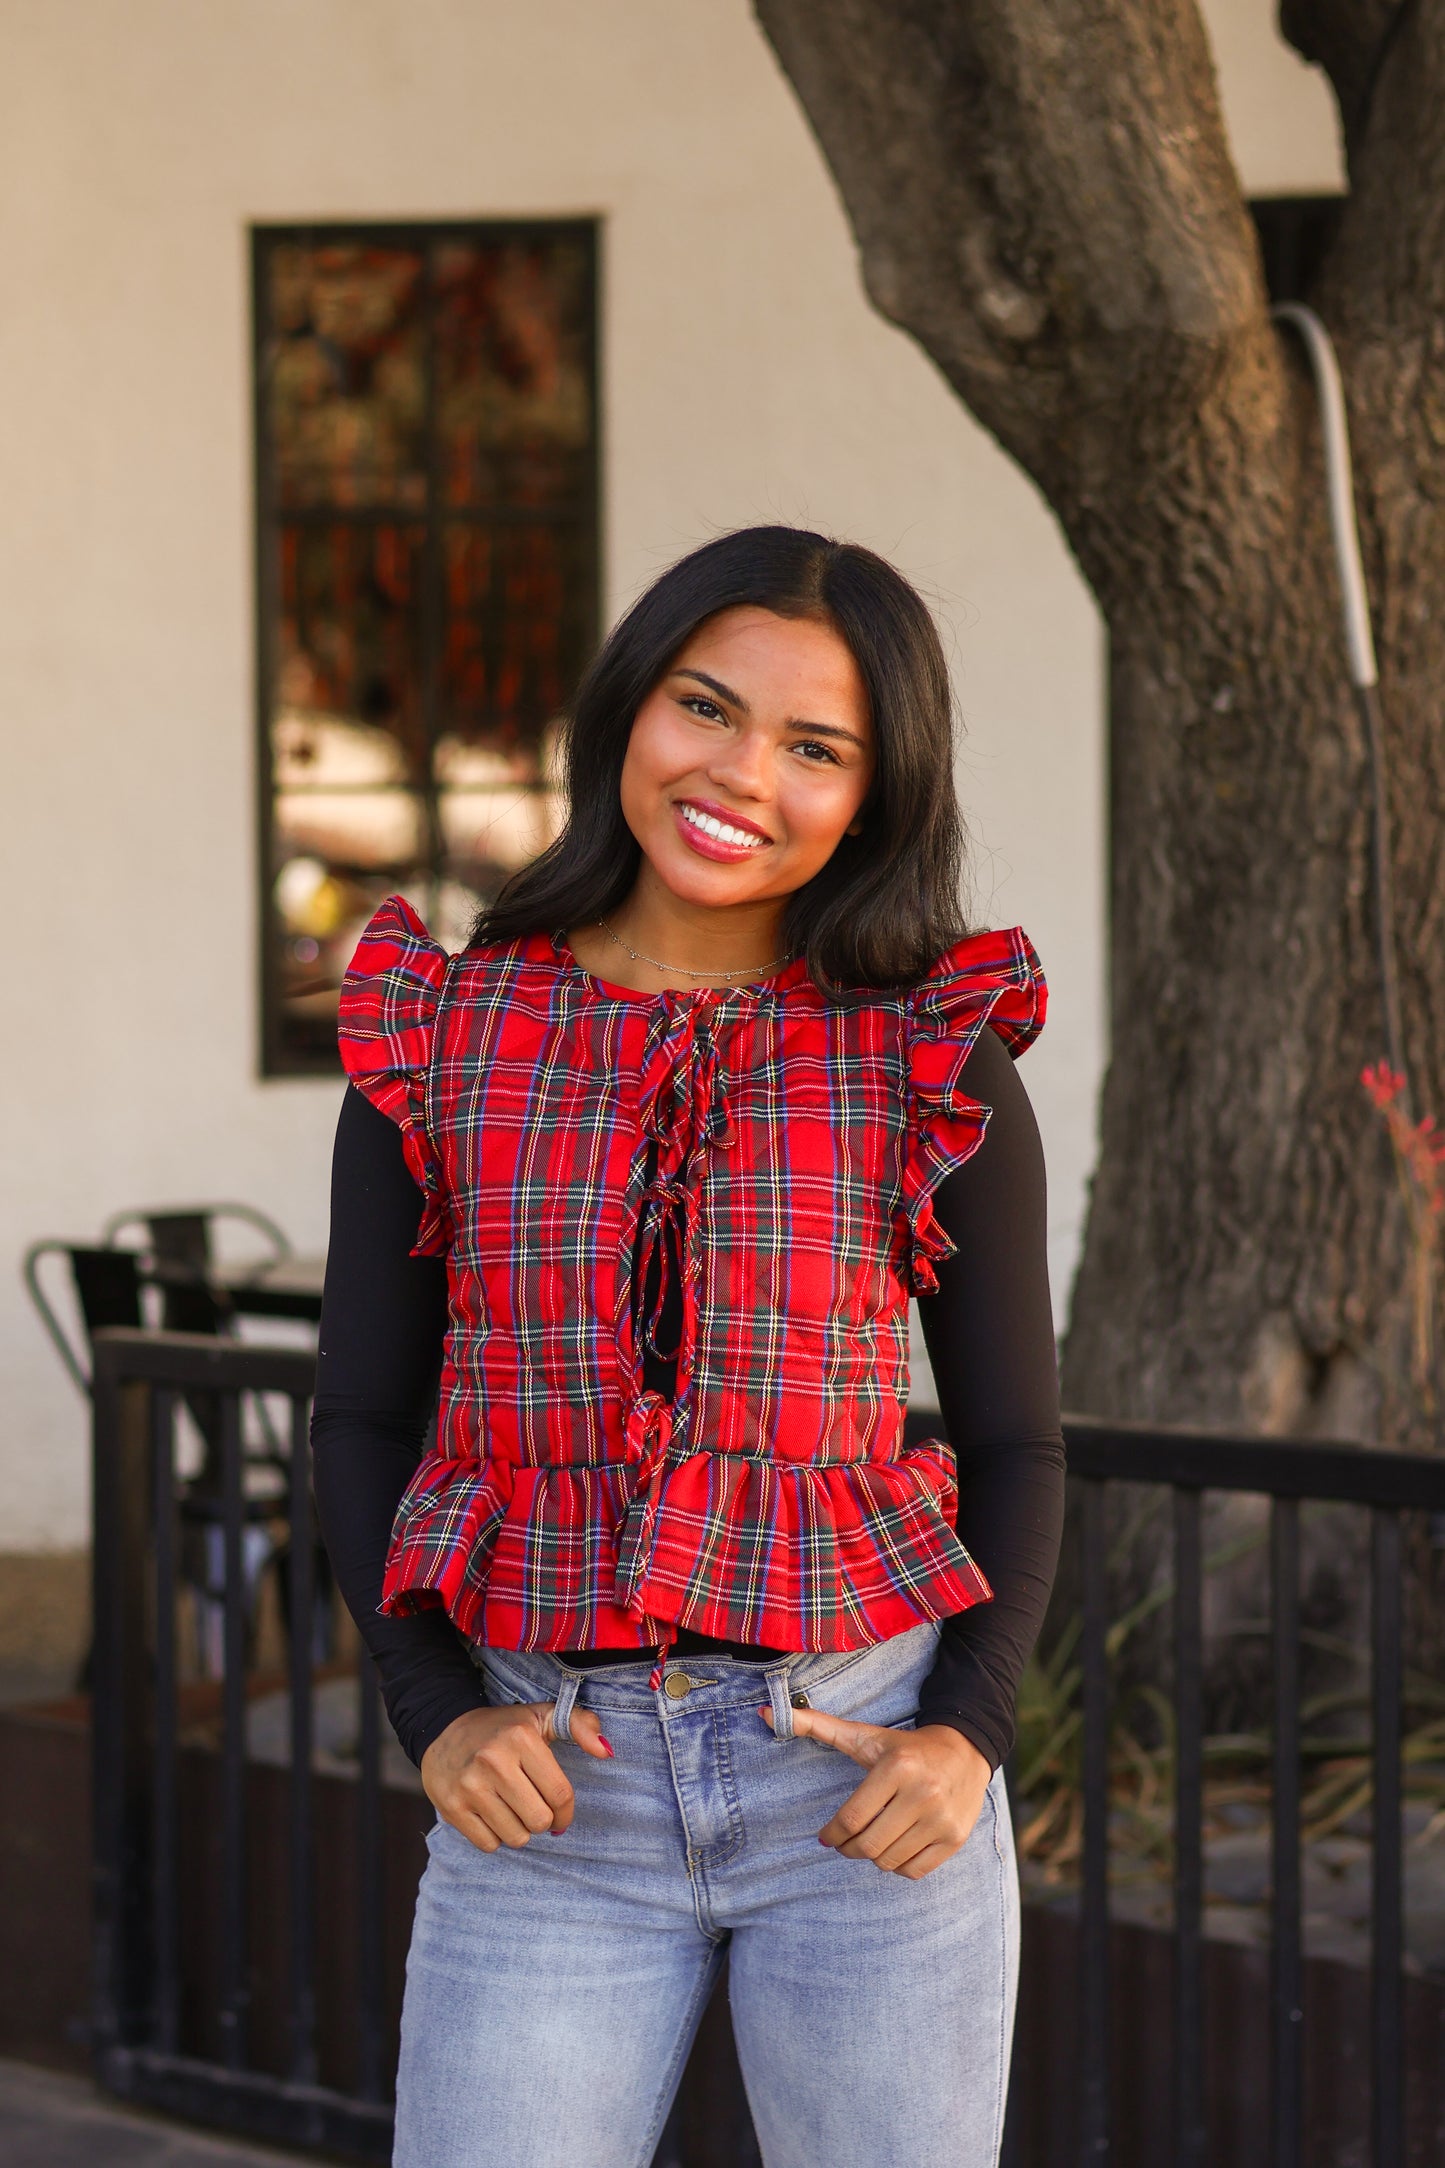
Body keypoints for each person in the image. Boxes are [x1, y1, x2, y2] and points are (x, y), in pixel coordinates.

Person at [311, 526, 1065, 2168]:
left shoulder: (923, 1056)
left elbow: (1015, 1443)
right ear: (625, 716)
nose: (740, 775)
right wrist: (434, 1713)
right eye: (702, 708)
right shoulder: (447, 1033)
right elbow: (363, 1415)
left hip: (858, 1790)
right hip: (551, 1795)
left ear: (873, 794)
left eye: (814, 747)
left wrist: (966, 1736)